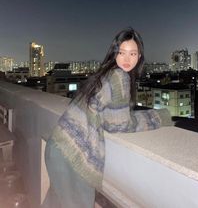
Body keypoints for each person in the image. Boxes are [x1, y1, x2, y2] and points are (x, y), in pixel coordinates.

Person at [42, 27, 172, 208]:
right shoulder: (119, 76)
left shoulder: (105, 73)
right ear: (114, 53)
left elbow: (106, 115)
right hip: (73, 156)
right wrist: (158, 117)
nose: (127, 59)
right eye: (122, 52)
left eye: (132, 53)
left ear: (139, 56)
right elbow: (119, 125)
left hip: (58, 146)